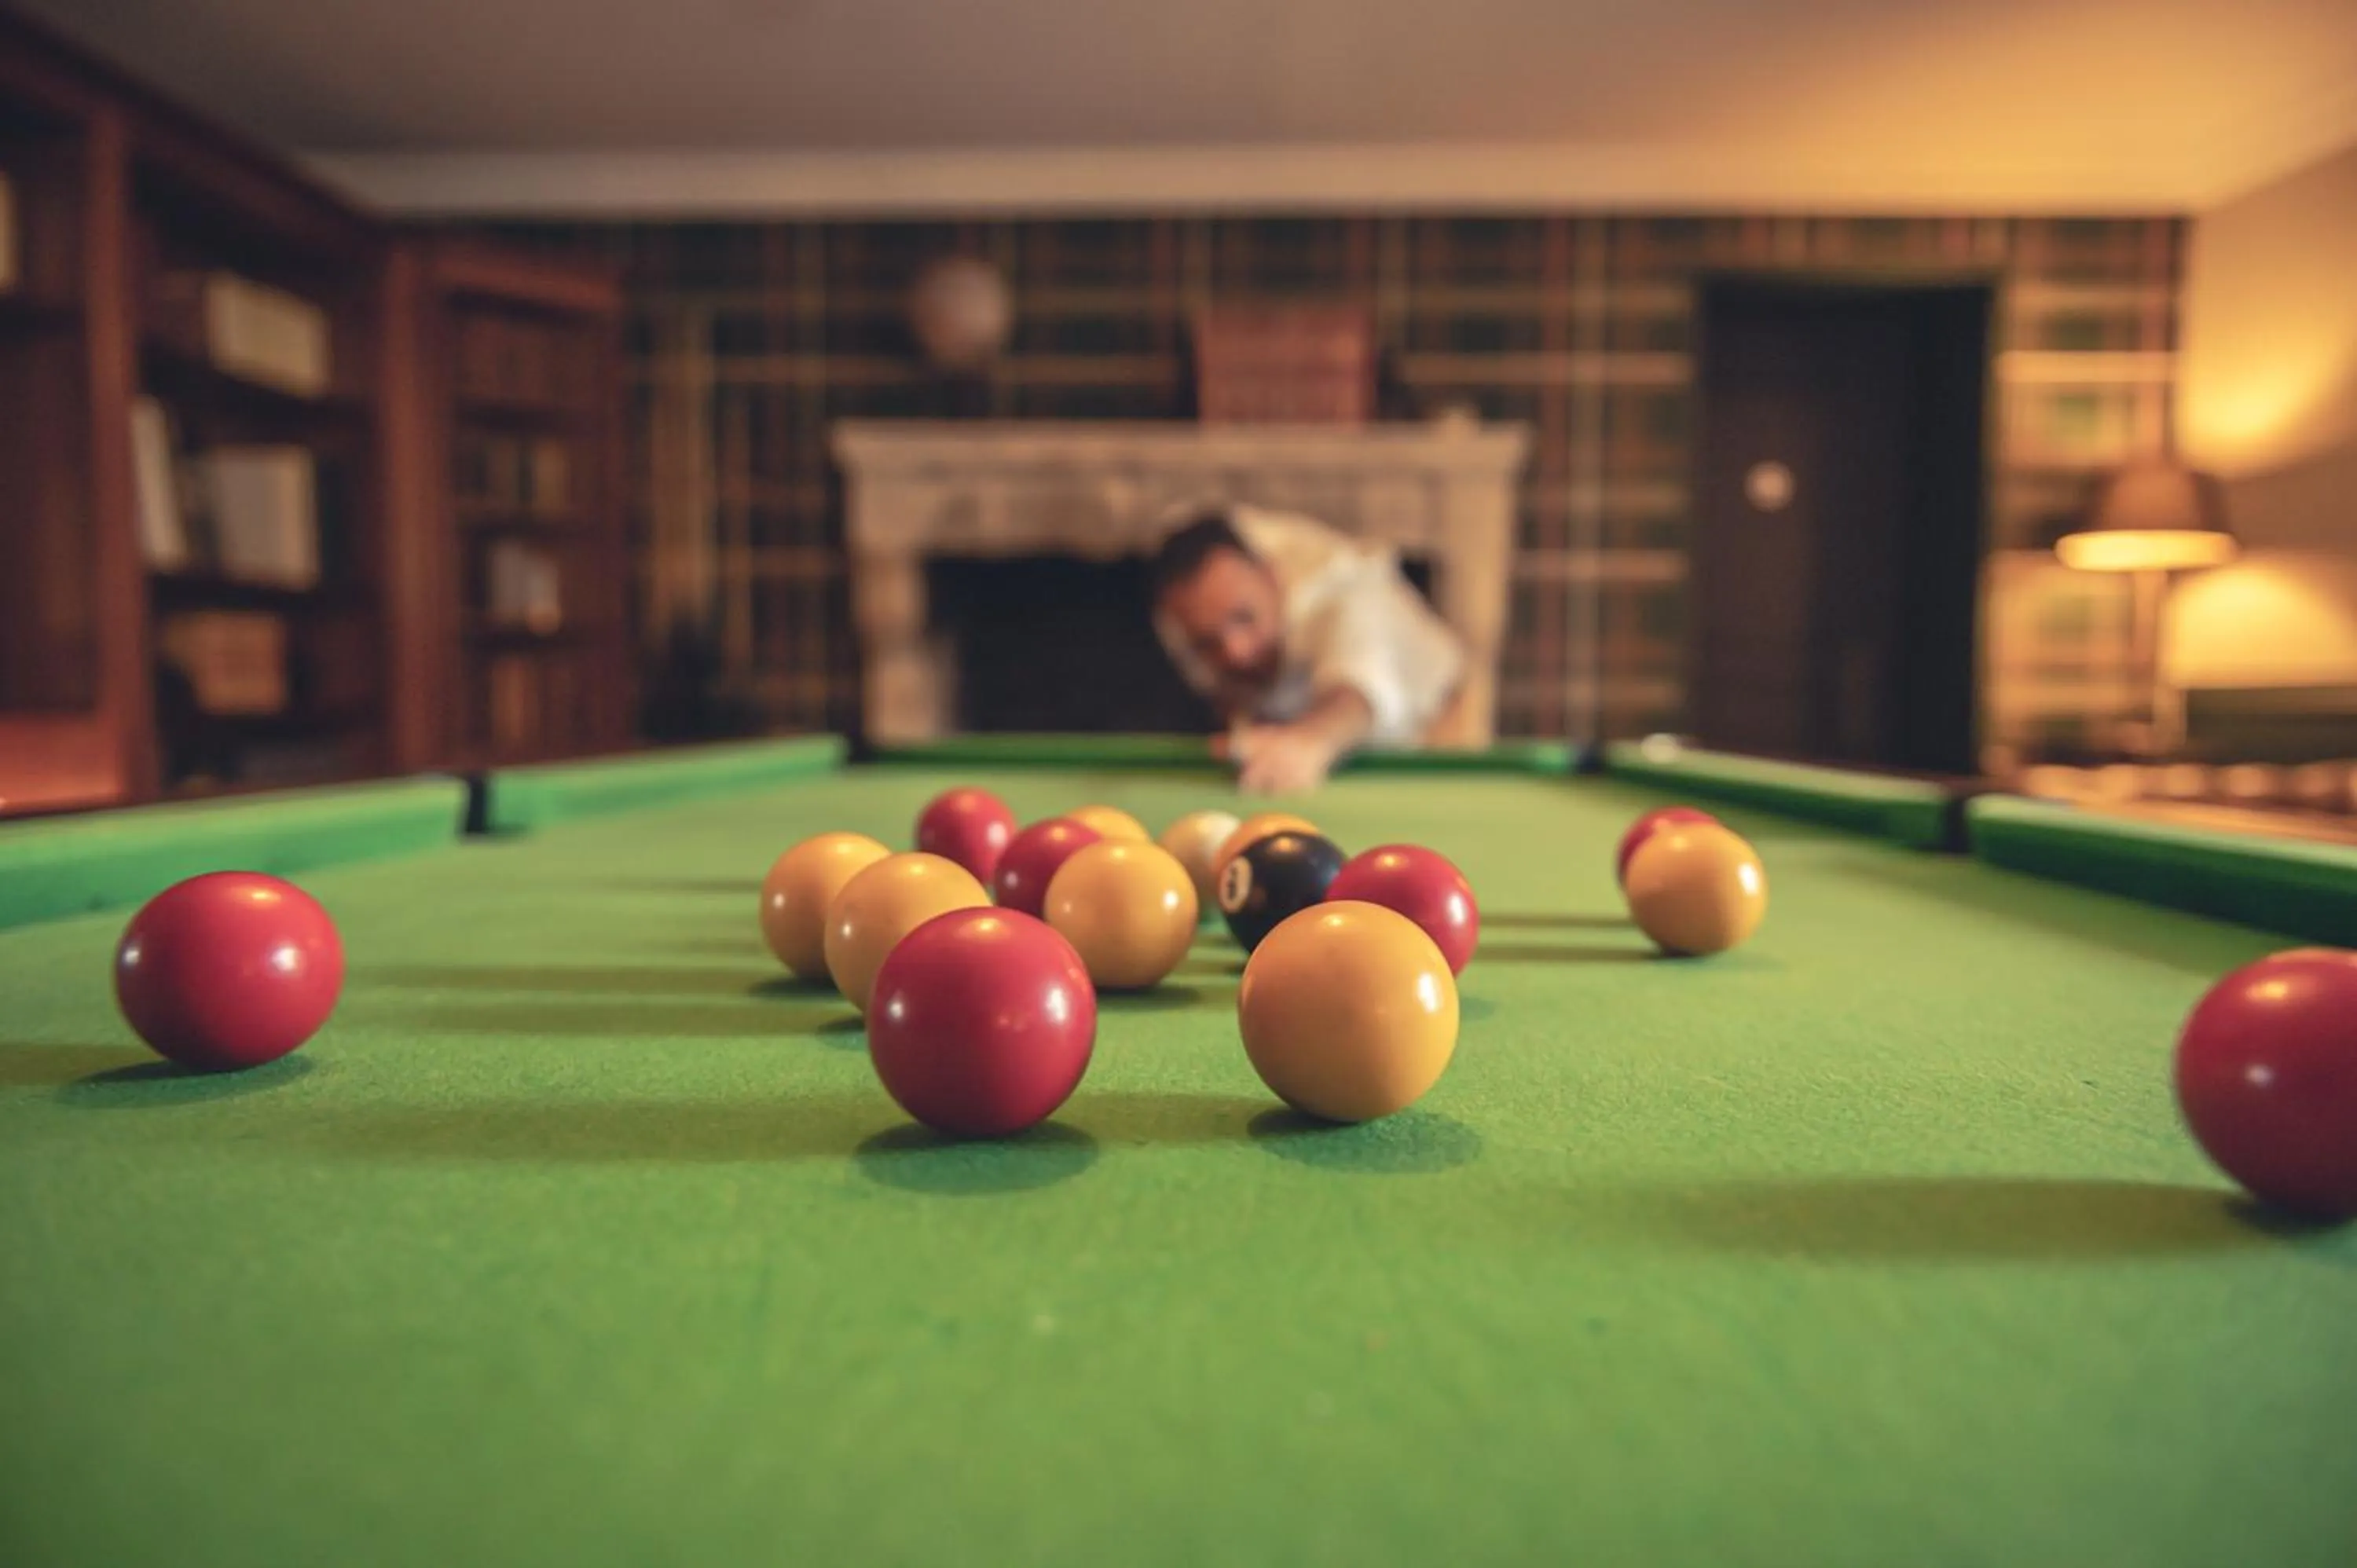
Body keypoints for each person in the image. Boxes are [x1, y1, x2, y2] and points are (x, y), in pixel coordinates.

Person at [1149, 502, 1465, 794]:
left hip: (1435, 712)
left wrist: (1310, 740)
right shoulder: (1182, 622)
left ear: (1272, 578)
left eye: (1244, 618)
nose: (1235, 651)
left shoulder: (1343, 596)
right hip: (1308, 716)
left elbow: (1356, 693)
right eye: (1208, 641)